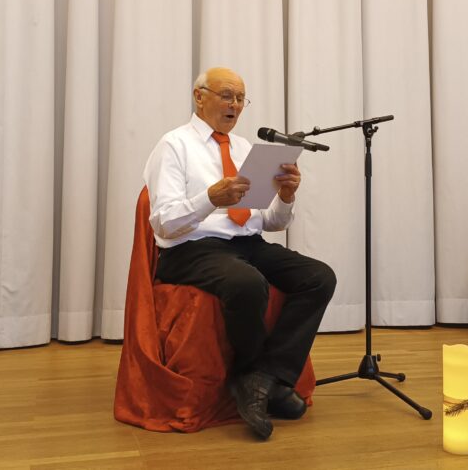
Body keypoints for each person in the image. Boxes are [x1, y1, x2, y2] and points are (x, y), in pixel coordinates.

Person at [143, 67, 337, 440]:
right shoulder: (173, 145)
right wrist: (208, 199)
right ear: (199, 97)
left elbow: (270, 222)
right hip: (190, 248)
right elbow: (164, 224)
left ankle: (262, 378)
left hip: (247, 244)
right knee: (247, 283)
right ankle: (258, 378)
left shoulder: (245, 148)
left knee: (319, 277)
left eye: (240, 99)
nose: (234, 105)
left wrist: (286, 197)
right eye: (226, 96)